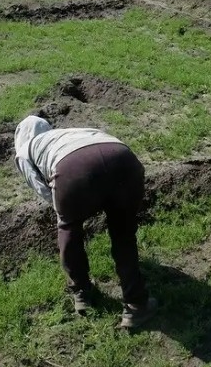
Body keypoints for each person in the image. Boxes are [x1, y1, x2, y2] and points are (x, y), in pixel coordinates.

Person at [13, 115, 157, 329]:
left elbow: (44, 190)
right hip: (124, 159)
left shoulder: (25, 151)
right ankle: (136, 305)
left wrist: (72, 211)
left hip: (75, 169)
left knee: (69, 228)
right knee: (123, 233)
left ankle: (81, 293)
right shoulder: (71, 133)